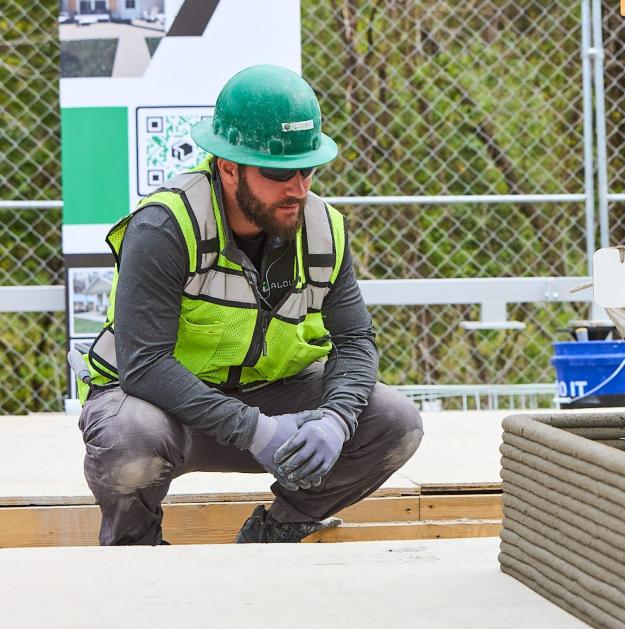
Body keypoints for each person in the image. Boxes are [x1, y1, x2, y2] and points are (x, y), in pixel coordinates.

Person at [77, 65, 423, 545]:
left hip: (274, 401)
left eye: (308, 169)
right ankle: (137, 548)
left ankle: (277, 531)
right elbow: (145, 365)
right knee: (127, 436)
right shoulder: (166, 226)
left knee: (395, 420)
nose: (298, 188)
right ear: (228, 166)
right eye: (279, 173)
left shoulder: (323, 229)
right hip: (167, 410)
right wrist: (256, 430)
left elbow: (355, 340)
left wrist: (335, 420)